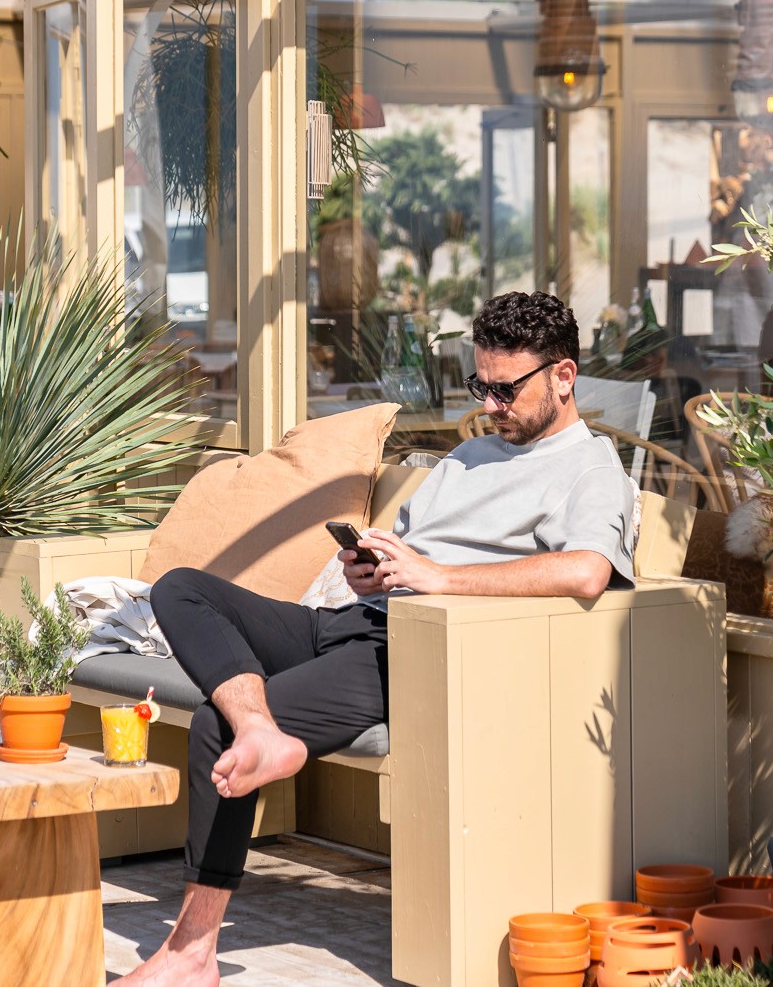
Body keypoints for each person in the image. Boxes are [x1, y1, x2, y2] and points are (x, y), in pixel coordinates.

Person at [114, 290, 636, 987]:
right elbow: (410, 555)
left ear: (563, 376)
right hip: (358, 621)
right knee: (181, 587)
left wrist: (437, 577)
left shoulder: (590, 467)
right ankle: (260, 725)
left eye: (506, 388)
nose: (490, 403)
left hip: (412, 655)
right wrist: (375, 569)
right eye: (481, 384)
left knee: (214, 724)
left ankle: (191, 954)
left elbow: (588, 569)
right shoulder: (467, 456)